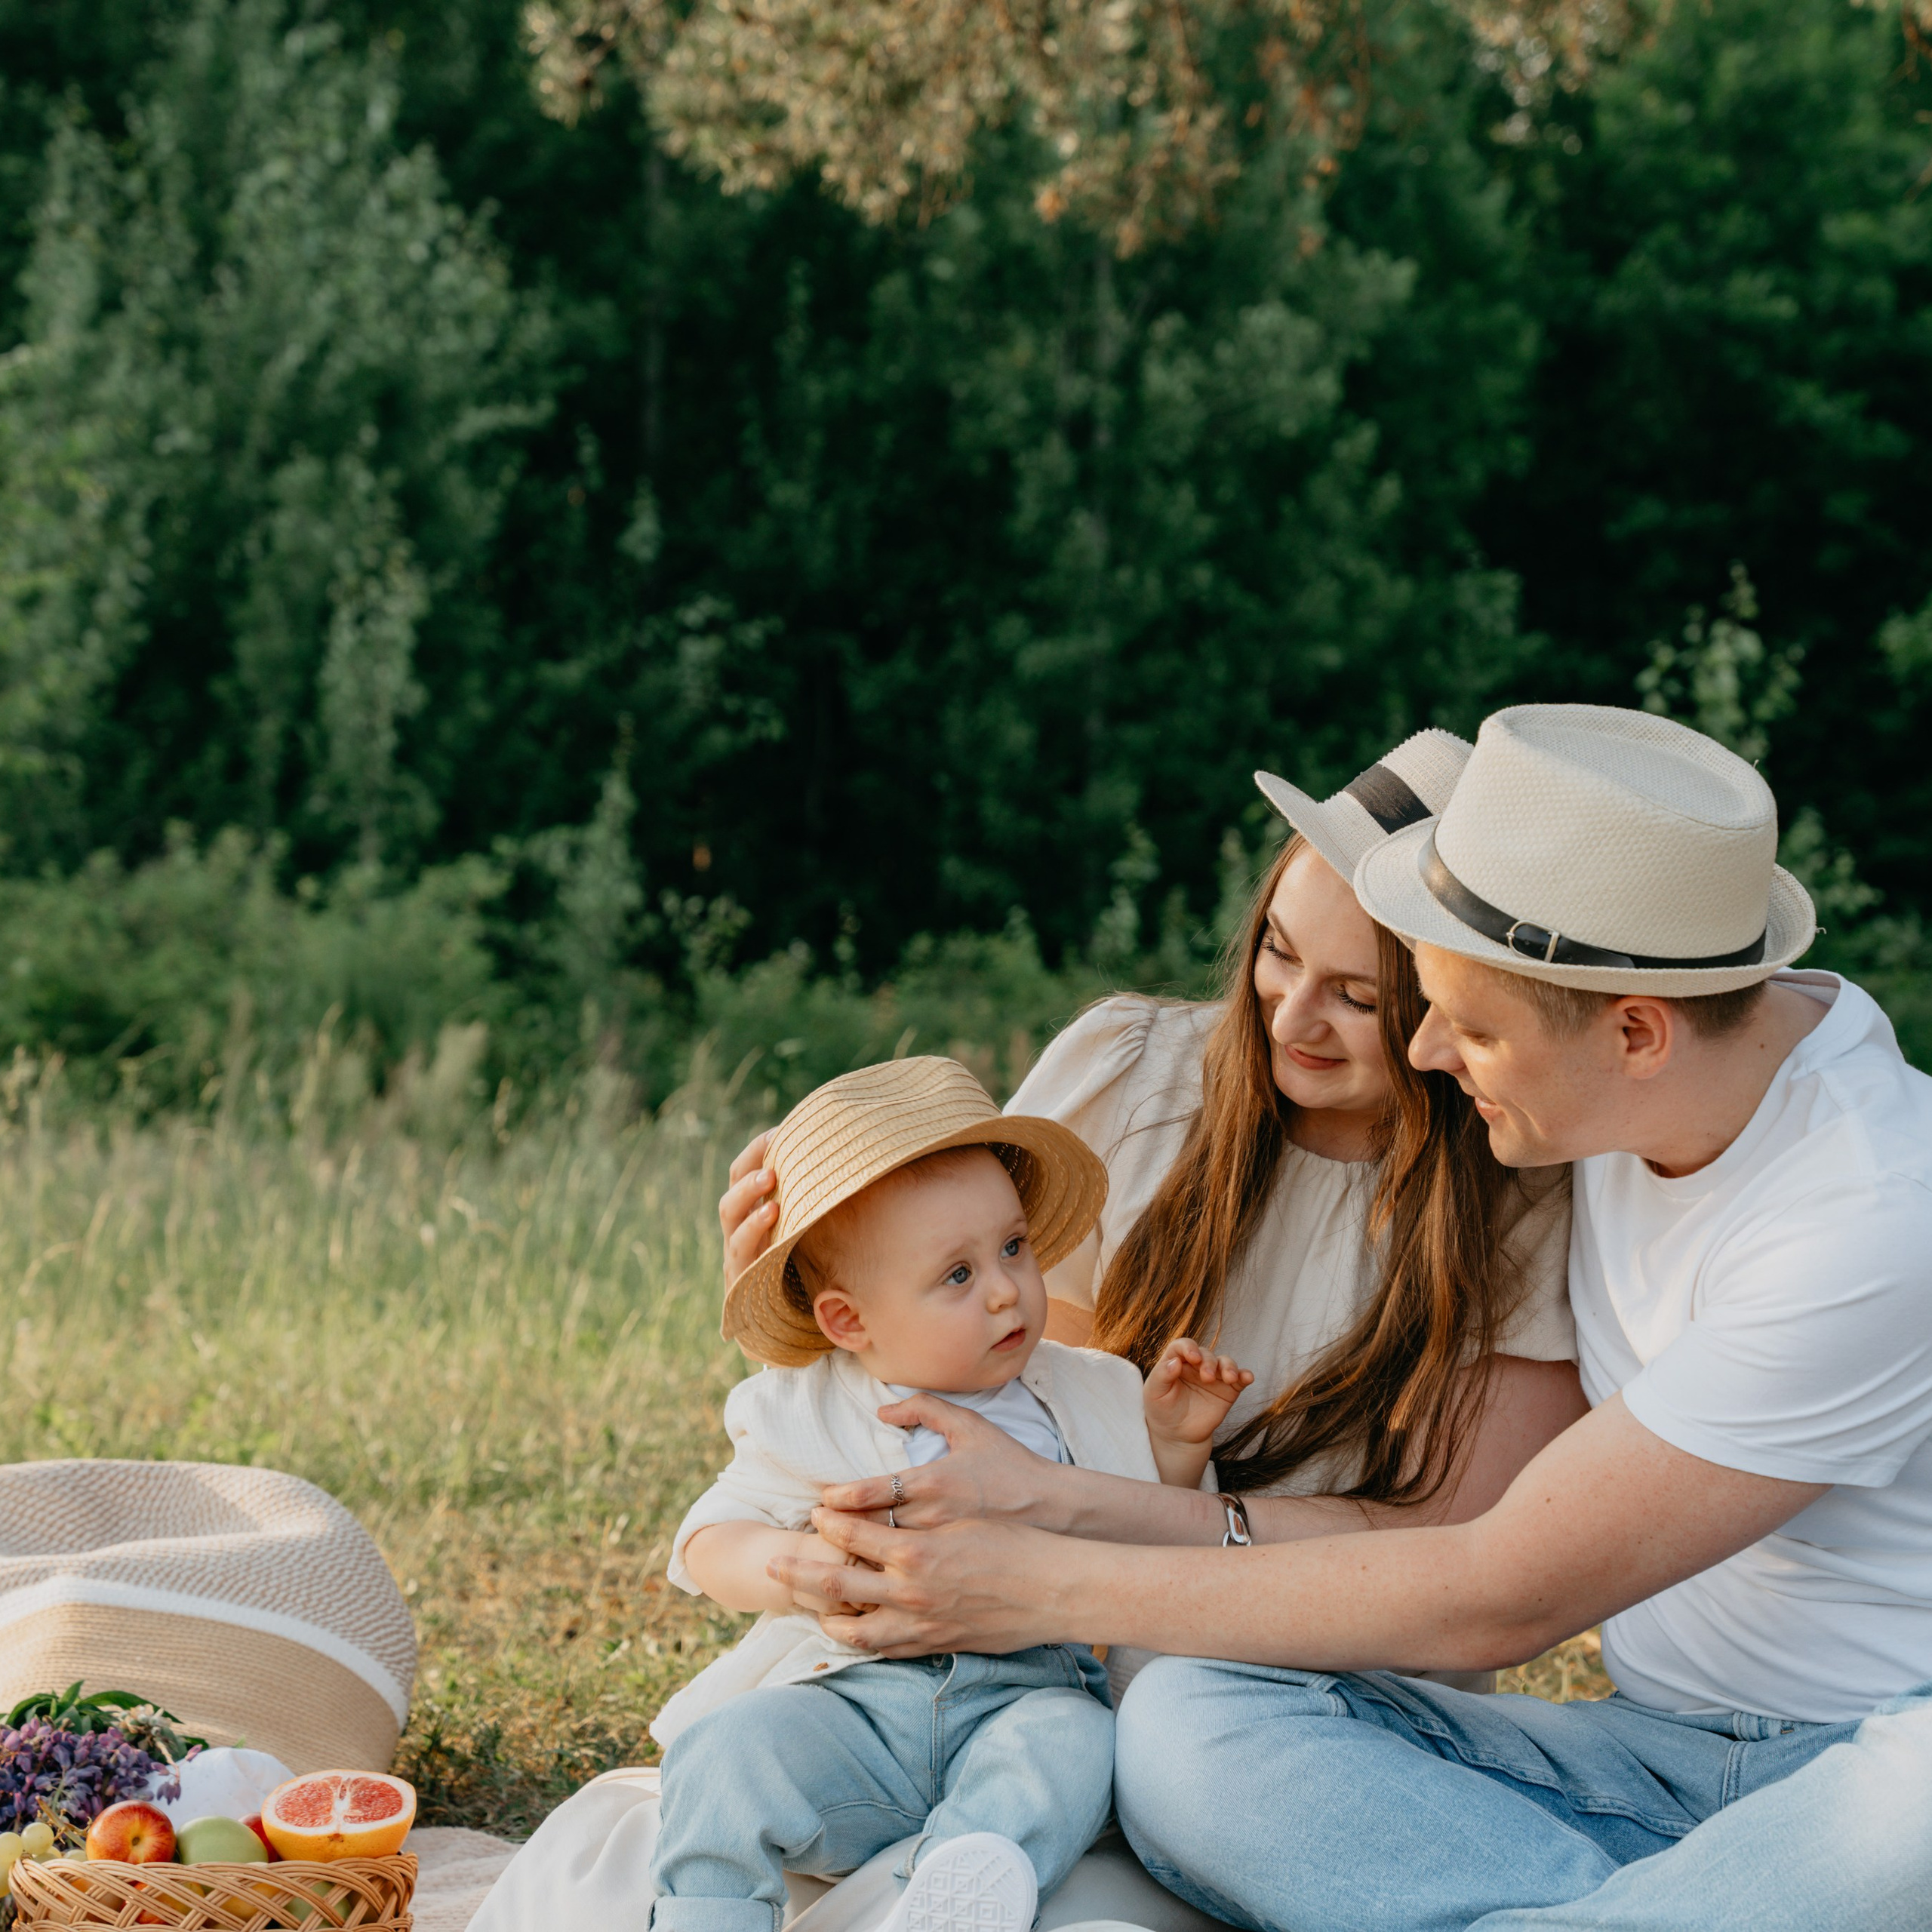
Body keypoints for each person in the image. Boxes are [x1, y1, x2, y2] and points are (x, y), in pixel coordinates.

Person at [780, 704, 1932, 1930]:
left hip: (1868, 1767)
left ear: (1637, 1032)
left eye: (1470, 1026)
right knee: (1187, 1714)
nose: (1430, 1051)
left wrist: (1039, 1585)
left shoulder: (1873, 1217)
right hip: (1635, 1763)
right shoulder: (1631, 1079)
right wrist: (835, 1238)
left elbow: (1498, 1589)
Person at [721, 730, 1583, 1624]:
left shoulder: (1514, 1187)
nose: (1292, 1017)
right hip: (1055, 1623)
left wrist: (1098, 1524)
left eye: (1358, 999)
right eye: (1280, 951)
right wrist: (799, 1303)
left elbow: (1452, 1540)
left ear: (1459, 1005)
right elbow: (988, 1386)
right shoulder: (1133, 1075)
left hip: (1340, 1642)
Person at [651, 1055, 1251, 1932]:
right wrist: (795, 1567)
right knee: (725, 1753)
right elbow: (710, 1539)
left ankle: (955, 1891)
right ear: (849, 1321)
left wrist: (1174, 1442)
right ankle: (708, 1917)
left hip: (1025, 1696)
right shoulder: (811, 1406)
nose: (1008, 1288)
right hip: (858, 1704)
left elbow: (1147, 1533)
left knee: (1078, 1746)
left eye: (1013, 1247)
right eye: (958, 1275)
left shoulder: (1086, 1390)